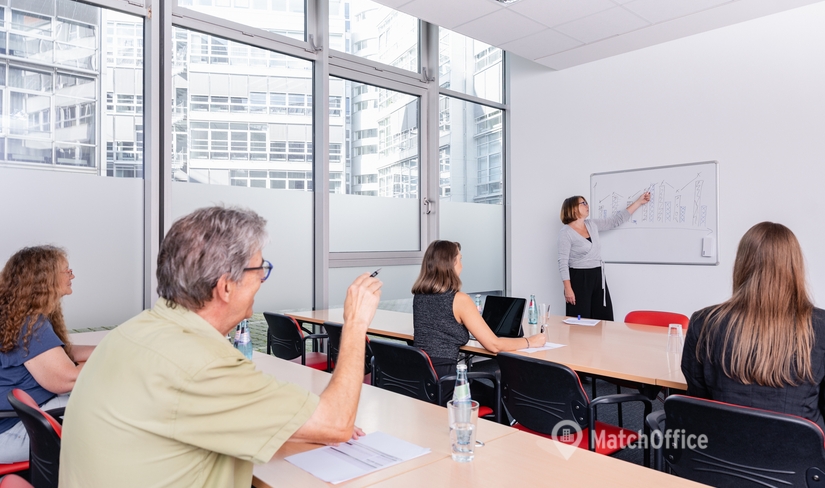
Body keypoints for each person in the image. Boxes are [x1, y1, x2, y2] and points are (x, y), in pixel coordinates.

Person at [59, 206, 382, 488]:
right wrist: (355, 323)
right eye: (259, 269)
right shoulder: (200, 363)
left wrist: (292, 422)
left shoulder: (133, 332)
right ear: (226, 287)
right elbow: (336, 424)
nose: (263, 279)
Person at [681, 222, 825, 427]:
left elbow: (698, 399)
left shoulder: (704, 322)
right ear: (796, 267)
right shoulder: (821, 327)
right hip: (798, 445)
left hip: (721, 442)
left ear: (742, 264)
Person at [0, 246, 93, 463]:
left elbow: (60, 352)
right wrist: (113, 360)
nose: (72, 276)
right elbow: (66, 380)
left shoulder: (17, 317)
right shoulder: (29, 324)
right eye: (66, 271)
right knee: (105, 408)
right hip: (15, 430)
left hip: (17, 419)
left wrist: (109, 348)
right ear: (45, 279)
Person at [412, 240, 545, 388]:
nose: (462, 265)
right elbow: (494, 345)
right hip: (447, 381)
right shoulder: (459, 299)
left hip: (422, 378)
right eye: (460, 259)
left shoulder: (419, 297)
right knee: (501, 394)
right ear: (451, 264)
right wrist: (530, 341)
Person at [557, 191, 650, 320]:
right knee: (580, 321)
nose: (587, 205)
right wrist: (568, 289)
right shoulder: (566, 233)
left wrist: (639, 202)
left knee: (604, 318)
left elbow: (615, 221)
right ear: (573, 208)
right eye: (583, 203)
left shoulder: (592, 224)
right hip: (579, 278)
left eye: (586, 202)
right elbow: (562, 262)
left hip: (597, 275)